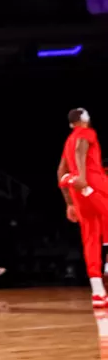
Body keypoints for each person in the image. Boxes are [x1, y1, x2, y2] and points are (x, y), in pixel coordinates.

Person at [58, 108, 108, 310]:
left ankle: (98, 292)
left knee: (90, 237)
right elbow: (80, 149)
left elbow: (61, 171)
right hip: (93, 185)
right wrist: (82, 177)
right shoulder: (86, 133)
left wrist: (69, 203)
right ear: (85, 119)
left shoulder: (68, 140)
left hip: (78, 194)